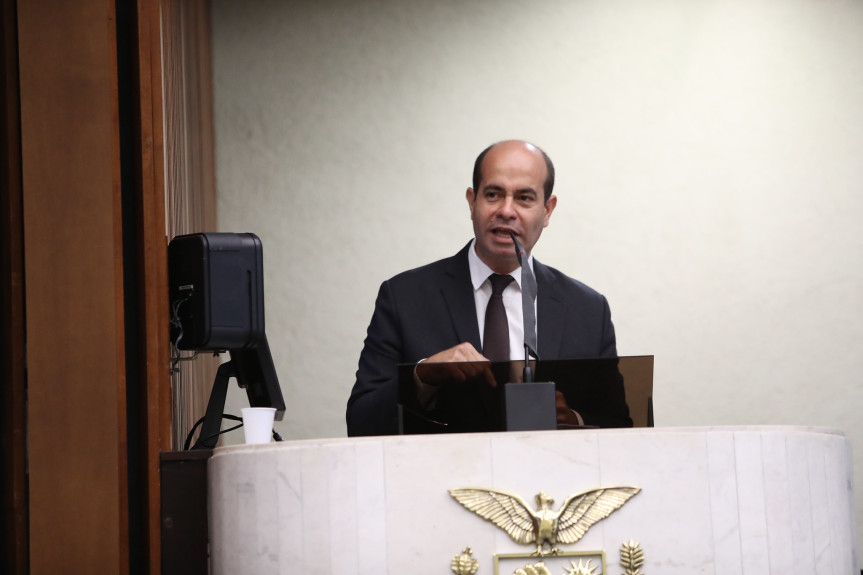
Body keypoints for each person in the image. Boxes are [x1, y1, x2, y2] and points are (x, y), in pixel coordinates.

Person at [346, 140, 630, 436]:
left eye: (524, 198)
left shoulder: (588, 310)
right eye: (493, 194)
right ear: (472, 202)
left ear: (547, 210)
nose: (506, 211)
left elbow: (620, 427)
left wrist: (573, 419)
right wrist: (422, 375)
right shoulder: (404, 297)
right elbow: (360, 421)